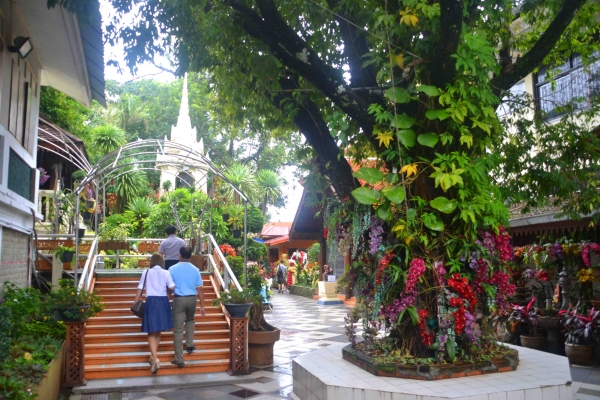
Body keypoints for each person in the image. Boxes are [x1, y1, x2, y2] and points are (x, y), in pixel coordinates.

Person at [132, 253, 175, 374]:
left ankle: (154, 358)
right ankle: (154, 356)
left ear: (152, 261)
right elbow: (172, 288)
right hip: (163, 302)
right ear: (162, 262)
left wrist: (135, 302)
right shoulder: (166, 273)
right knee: (158, 330)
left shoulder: (146, 272)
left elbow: (140, 288)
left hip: (150, 301)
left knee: (151, 331)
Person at [169, 246, 205, 367]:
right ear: (190, 255)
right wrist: (202, 305)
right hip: (192, 299)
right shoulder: (195, 269)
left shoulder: (172, 269)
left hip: (179, 299)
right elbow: (200, 288)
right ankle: (189, 344)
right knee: (190, 320)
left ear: (179, 255)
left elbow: (169, 287)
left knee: (178, 329)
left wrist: (168, 297)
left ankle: (179, 358)